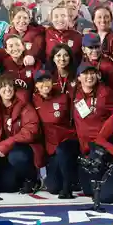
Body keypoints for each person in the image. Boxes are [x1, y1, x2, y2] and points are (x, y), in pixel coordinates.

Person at [32, 71, 80, 199]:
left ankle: (67, 187)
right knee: (53, 187)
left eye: (47, 79)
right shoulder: (33, 101)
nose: (45, 84)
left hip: (68, 140)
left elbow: (75, 118)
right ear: (36, 85)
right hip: (50, 146)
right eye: (40, 81)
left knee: (62, 150)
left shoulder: (63, 97)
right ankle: (71, 178)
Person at [0, 76, 42, 193]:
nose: (8, 89)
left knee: (17, 156)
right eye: (4, 86)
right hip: (1, 152)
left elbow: (31, 131)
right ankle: (18, 178)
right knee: (7, 187)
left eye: (10, 86)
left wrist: (8, 142)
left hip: (23, 147)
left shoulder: (24, 105)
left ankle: (32, 178)